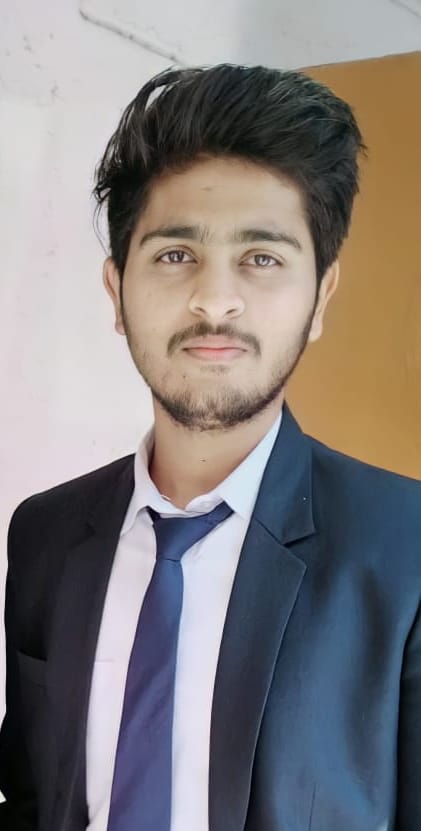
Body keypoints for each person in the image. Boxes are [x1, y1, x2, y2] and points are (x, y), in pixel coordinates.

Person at [0, 62, 419, 831]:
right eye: (173, 254)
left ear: (319, 296)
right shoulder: (44, 536)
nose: (214, 299)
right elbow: (32, 795)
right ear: (116, 291)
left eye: (261, 257)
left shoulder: (405, 546)